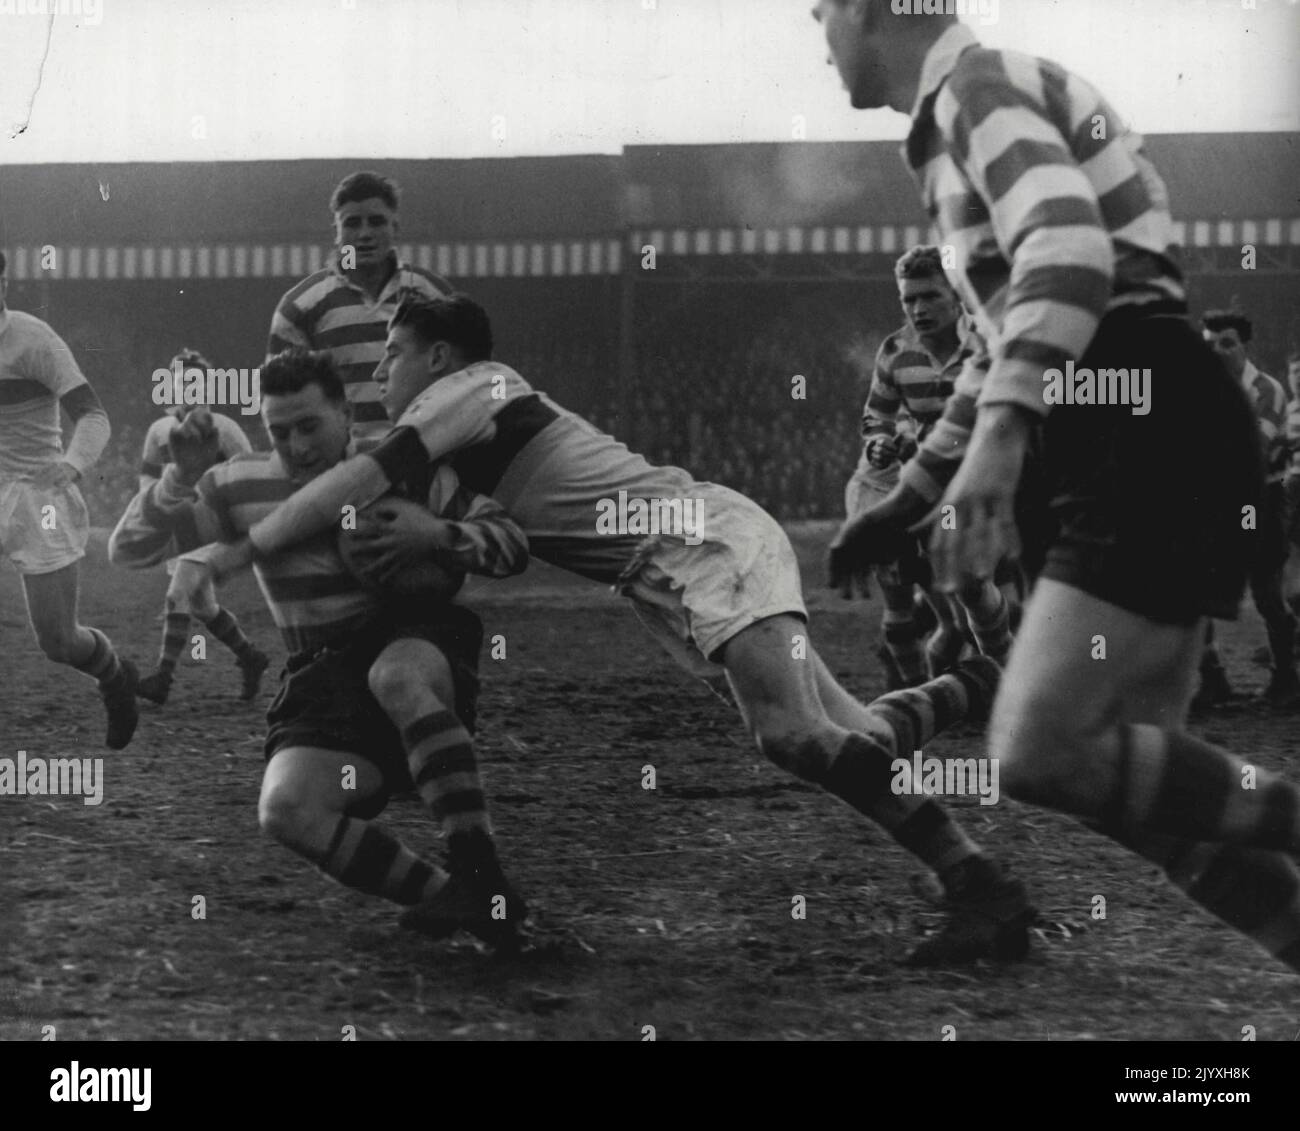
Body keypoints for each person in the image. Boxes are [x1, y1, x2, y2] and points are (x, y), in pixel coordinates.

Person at [207, 293, 1035, 968]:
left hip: (693, 542)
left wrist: (251, 543)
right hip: (670, 569)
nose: (381, 368)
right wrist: (437, 536)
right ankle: (972, 691)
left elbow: (361, 476)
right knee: (848, 734)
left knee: (787, 734)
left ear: (439, 357)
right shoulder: (455, 448)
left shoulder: (475, 386)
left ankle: (978, 882)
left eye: (394, 351)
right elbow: (493, 540)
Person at [819, 1, 1300, 971]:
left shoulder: (975, 91)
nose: (818, 35)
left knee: (1038, 750)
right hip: (1135, 422)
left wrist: (1001, 441)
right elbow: (997, 350)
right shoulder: (966, 115)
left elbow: (1069, 254)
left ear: (872, 9)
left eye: (821, 11)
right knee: (1148, 795)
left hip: (1144, 419)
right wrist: (906, 501)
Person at [109, 350, 529, 948]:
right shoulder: (239, 485)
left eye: (310, 426)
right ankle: (461, 902)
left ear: (345, 412)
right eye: (279, 432)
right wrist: (178, 478)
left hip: (415, 640)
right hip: (324, 674)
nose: (297, 445)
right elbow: (128, 551)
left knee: (396, 677)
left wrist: (439, 533)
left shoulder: (398, 467)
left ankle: (479, 870)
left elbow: (511, 540)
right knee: (286, 811)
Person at [846, 245, 1014, 686]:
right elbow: (876, 416)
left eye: (929, 297)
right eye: (908, 299)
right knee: (907, 588)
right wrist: (880, 442)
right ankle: (921, 691)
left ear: (957, 294)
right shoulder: (896, 351)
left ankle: (1007, 680)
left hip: (987, 474)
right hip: (926, 481)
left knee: (974, 584)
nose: (918, 309)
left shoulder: (990, 341)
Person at [0, 249, 138, 748]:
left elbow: (93, 415)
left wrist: (72, 465)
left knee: (58, 642)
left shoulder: (33, 340)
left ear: (3, 282)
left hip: (38, 497)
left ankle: (114, 675)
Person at [268, 170, 451, 442]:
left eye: (376, 222)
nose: (365, 234)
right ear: (336, 233)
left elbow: (469, 378)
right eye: (353, 223)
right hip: (343, 466)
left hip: (422, 457)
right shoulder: (301, 306)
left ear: (395, 228)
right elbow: (279, 398)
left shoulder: (434, 296)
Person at [134, 348, 270, 706]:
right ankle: (251, 657)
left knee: (175, 597)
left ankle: (162, 679)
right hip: (178, 527)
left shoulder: (224, 428)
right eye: (178, 380)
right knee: (202, 606)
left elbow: (249, 469)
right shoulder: (159, 430)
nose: (184, 387)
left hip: (212, 526)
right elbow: (147, 477)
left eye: (192, 381)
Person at [1192, 311, 1299, 709]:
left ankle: (1287, 680)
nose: (1217, 352)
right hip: (1217, 502)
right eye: (1209, 344)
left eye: (1227, 343)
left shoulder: (1266, 390)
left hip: (1263, 500)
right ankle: (1213, 680)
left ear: (1244, 346)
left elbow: (1252, 454)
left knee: (1268, 594)